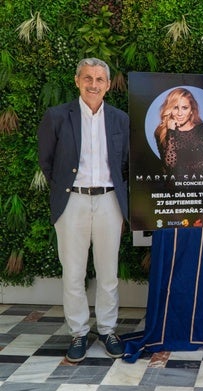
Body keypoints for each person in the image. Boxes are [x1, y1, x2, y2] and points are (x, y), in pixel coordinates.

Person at [38, 58, 129, 363]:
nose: (93, 84)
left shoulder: (120, 119)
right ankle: (78, 332)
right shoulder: (57, 116)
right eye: (87, 78)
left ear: (107, 85)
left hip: (109, 202)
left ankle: (107, 329)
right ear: (77, 81)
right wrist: (67, 188)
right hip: (72, 202)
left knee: (108, 273)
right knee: (73, 273)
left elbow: (126, 163)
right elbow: (47, 161)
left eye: (99, 79)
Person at [154, 87, 203, 175]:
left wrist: (183, 167)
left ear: (191, 110)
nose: (180, 113)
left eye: (184, 108)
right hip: (175, 186)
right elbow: (171, 167)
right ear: (170, 110)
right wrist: (171, 132)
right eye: (175, 108)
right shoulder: (161, 132)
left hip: (202, 184)